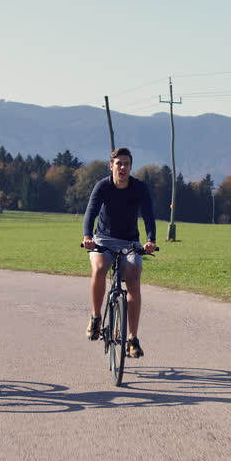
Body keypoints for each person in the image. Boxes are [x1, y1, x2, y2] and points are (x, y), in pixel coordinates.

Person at [82, 147, 158, 357]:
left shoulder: (139, 188)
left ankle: (132, 338)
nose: (122, 167)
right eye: (119, 164)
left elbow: (149, 216)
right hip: (103, 239)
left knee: (133, 277)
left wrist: (151, 240)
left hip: (130, 241)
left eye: (126, 164)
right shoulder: (103, 186)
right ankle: (96, 318)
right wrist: (87, 236)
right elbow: (91, 211)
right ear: (111, 166)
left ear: (131, 167)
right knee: (98, 269)